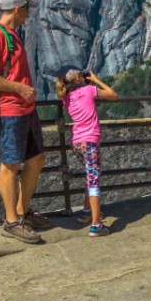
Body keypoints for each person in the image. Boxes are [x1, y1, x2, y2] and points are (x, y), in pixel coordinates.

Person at [0, 0, 50, 244]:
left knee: (36, 159)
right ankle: (11, 221)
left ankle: (23, 211)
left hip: (25, 110)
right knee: (10, 165)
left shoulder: (12, 35)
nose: (29, 13)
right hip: (9, 112)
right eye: (27, 8)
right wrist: (18, 88)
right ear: (17, 9)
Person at [57, 67, 119, 235]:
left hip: (76, 142)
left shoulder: (66, 98)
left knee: (90, 173)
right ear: (78, 78)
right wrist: (96, 80)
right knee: (93, 180)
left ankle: (86, 211)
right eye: (81, 74)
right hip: (89, 141)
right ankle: (95, 225)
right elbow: (113, 95)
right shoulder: (89, 90)